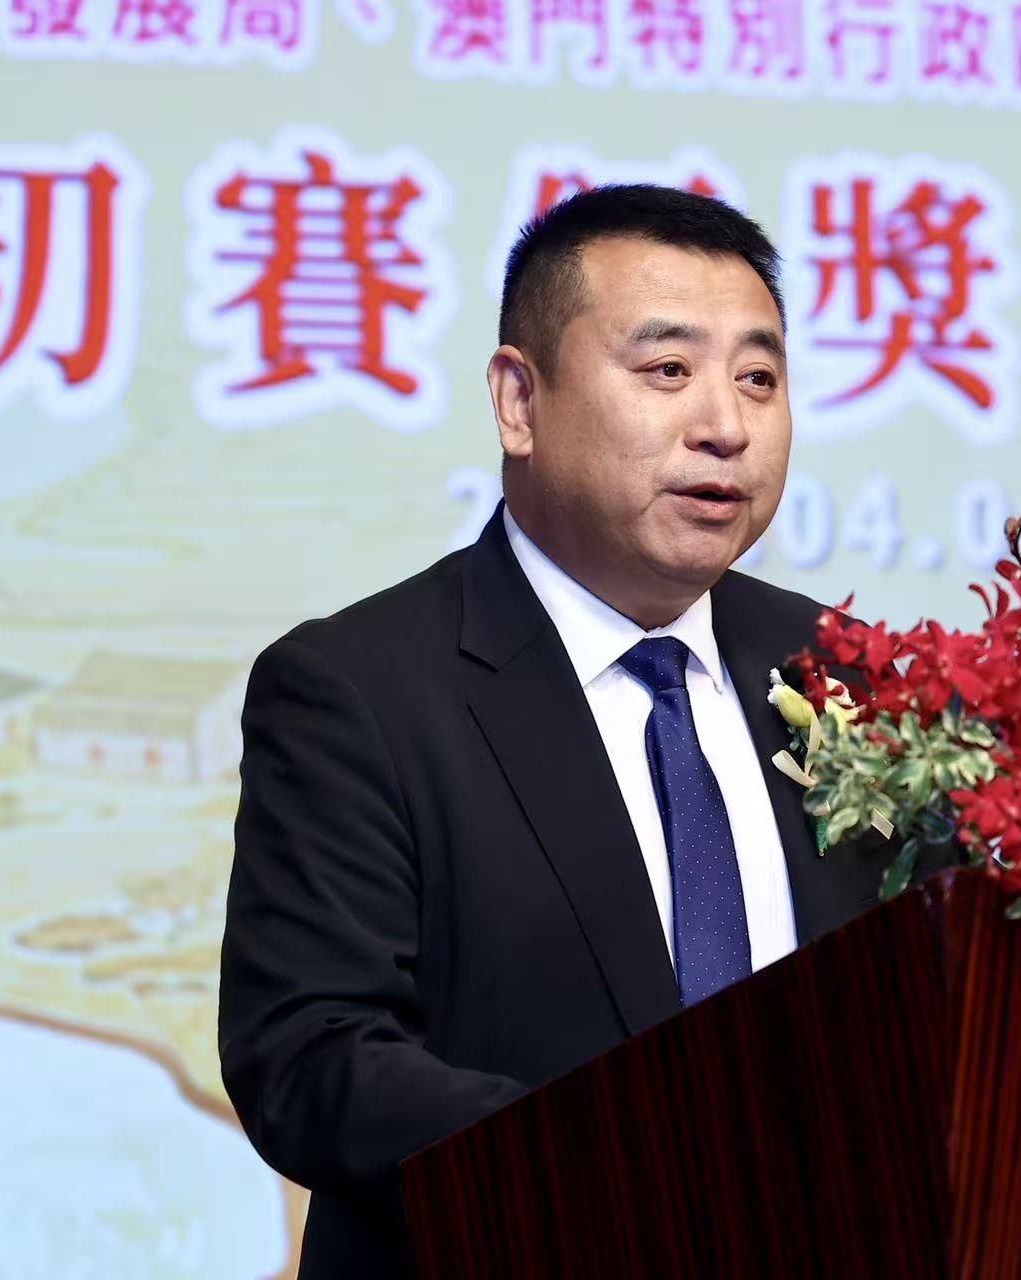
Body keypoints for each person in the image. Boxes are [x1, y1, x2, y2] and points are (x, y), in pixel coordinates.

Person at [218, 185, 893, 1280]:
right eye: (666, 369)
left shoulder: (851, 672)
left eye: (758, 378)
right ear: (518, 400)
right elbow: (312, 1060)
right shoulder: (359, 689)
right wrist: (654, 1167)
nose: (725, 424)